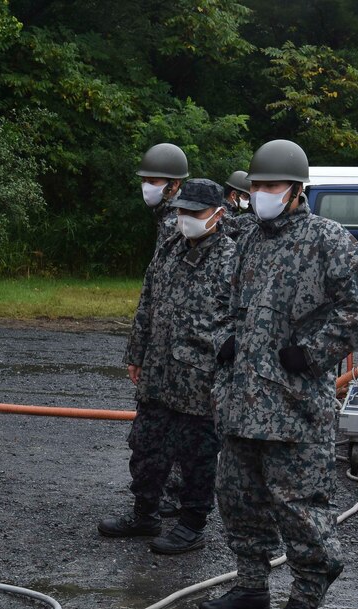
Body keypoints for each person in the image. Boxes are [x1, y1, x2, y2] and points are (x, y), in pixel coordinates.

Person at [201, 139, 358, 609]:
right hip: (242, 402)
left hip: (293, 406)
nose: (260, 194)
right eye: (255, 186)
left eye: (271, 186)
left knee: (300, 508)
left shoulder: (329, 239)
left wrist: (313, 351)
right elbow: (227, 305)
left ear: (297, 190)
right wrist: (227, 344)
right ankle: (251, 585)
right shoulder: (250, 239)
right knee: (238, 498)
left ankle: (305, 597)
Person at [97, 179, 235, 553]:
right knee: (145, 445)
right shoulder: (169, 250)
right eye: (182, 211)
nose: (186, 218)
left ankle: (192, 525)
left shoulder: (232, 260)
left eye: (195, 213)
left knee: (197, 455)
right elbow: (147, 304)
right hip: (158, 373)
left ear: (218, 215)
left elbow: (243, 322)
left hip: (200, 380)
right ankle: (145, 513)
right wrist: (136, 354)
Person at [137, 142, 191, 516]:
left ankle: (169, 500)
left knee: (172, 427)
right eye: (145, 181)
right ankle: (166, 498)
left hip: (179, 352)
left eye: (154, 181)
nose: (147, 188)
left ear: (173, 186)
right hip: (162, 349)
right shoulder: (166, 220)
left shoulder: (179, 223)